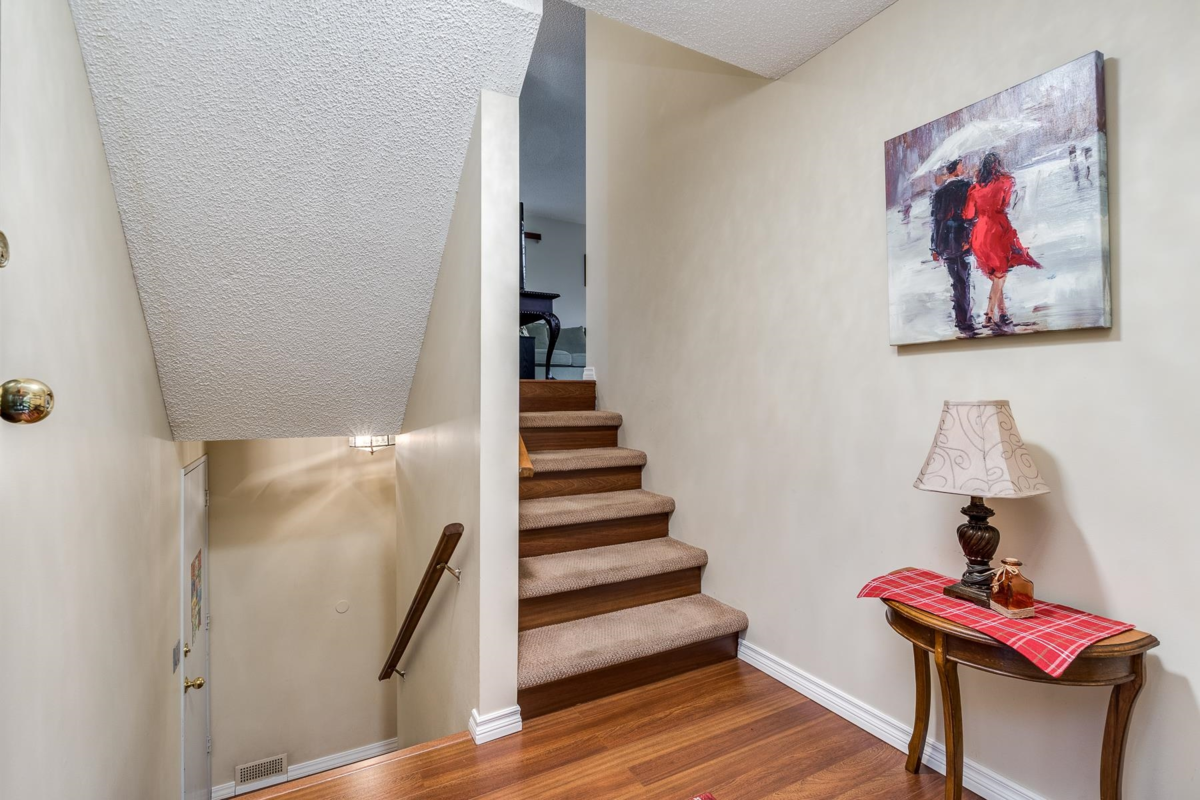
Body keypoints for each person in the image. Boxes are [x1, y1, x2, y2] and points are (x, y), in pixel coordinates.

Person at [963, 152, 1041, 330]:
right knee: (1000, 274)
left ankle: (1003, 312)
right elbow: (1005, 203)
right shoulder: (1005, 181)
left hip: (980, 233)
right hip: (998, 230)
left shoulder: (974, 189)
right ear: (997, 165)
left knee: (997, 274)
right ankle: (989, 315)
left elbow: (968, 214)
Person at [929, 159, 975, 336]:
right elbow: (971, 214)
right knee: (964, 279)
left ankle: (961, 318)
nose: (964, 168)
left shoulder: (939, 194)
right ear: (955, 169)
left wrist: (934, 247)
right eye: (961, 166)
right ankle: (965, 321)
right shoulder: (967, 187)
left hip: (945, 242)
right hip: (963, 239)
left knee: (956, 280)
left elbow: (935, 222)